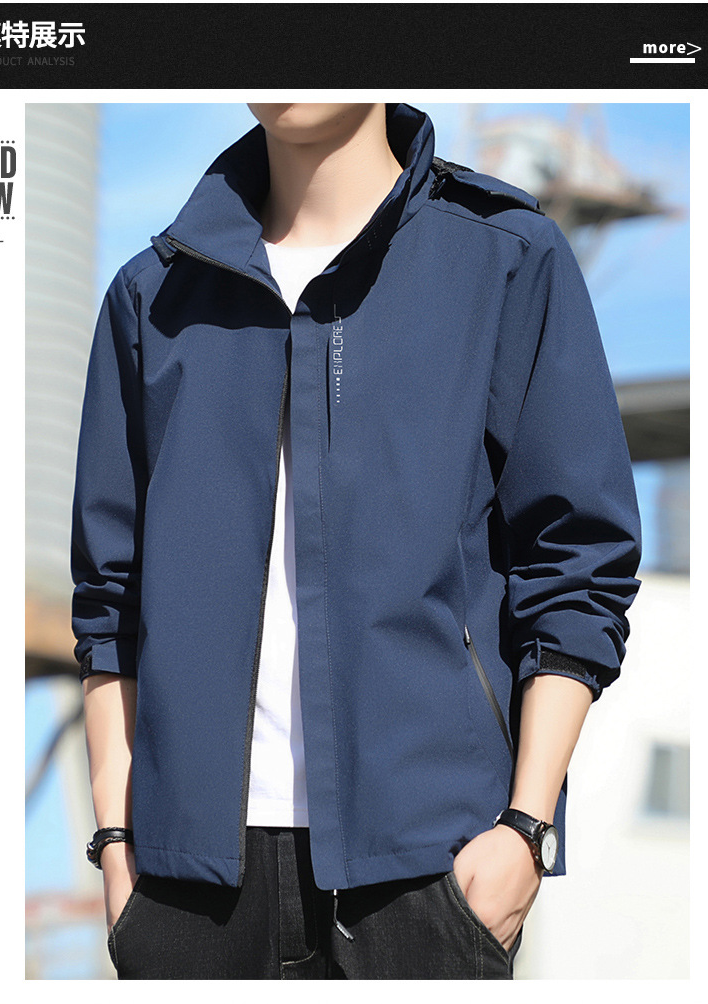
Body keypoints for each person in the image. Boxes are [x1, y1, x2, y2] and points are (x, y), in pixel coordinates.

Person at [71, 102, 642, 980]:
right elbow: (111, 601)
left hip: (428, 873)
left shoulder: (503, 257)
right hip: (184, 889)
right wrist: (117, 844)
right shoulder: (153, 296)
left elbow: (579, 559)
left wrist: (527, 827)